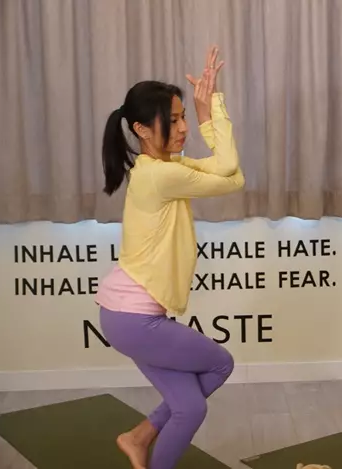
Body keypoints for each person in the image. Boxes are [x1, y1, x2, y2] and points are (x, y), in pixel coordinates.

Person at [95, 46, 245, 469]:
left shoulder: (163, 169)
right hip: (135, 319)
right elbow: (231, 171)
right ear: (142, 129)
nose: (183, 128)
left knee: (189, 406)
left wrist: (205, 115)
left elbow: (230, 173)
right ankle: (143, 438)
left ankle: (138, 438)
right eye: (173, 120)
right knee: (220, 364)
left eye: (183, 118)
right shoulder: (163, 176)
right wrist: (210, 109)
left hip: (123, 315)